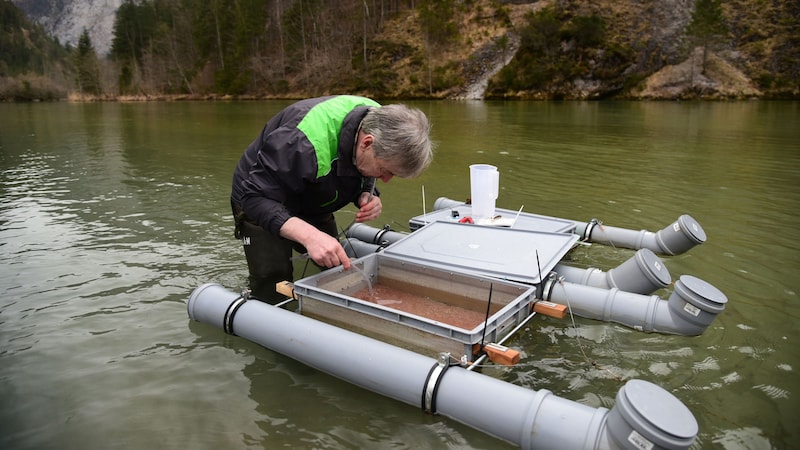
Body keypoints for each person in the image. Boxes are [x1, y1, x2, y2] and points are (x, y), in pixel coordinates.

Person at [231, 95, 433, 302]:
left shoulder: (379, 119)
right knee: (273, 280)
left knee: (336, 264)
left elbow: (357, 163)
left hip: (313, 190)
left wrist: (366, 193)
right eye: (384, 170)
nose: (386, 179)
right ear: (367, 142)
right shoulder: (302, 141)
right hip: (260, 192)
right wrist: (309, 236)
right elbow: (254, 198)